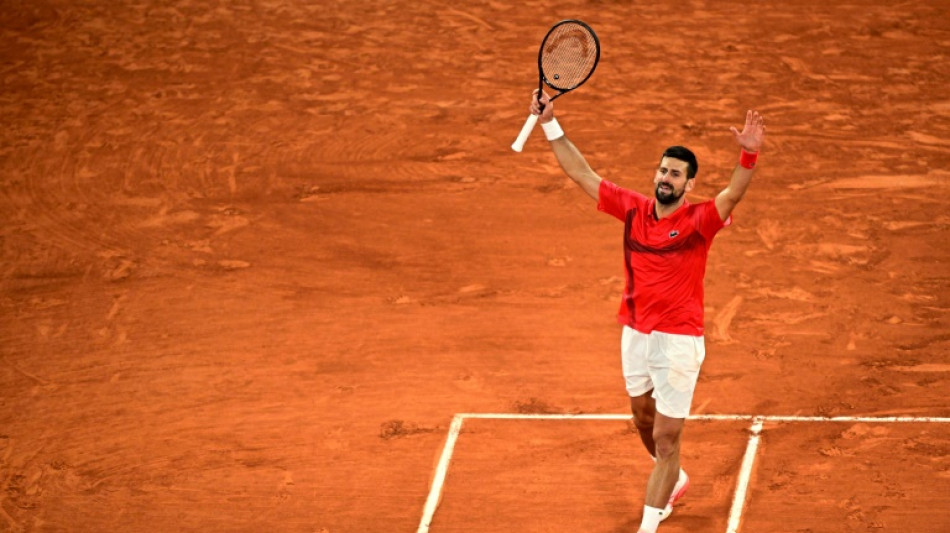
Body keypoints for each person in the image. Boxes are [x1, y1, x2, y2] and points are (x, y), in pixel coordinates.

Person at [527, 89, 765, 533]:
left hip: (678, 341)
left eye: (675, 174)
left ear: (689, 185)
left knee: (666, 439)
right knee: (642, 419)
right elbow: (581, 173)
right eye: (663, 170)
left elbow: (732, 194)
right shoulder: (634, 210)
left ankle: (649, 522)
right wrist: (549, 122)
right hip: (635, 333)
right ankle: (673, 476)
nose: (666, 178)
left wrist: (748, 155)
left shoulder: (699, 221)